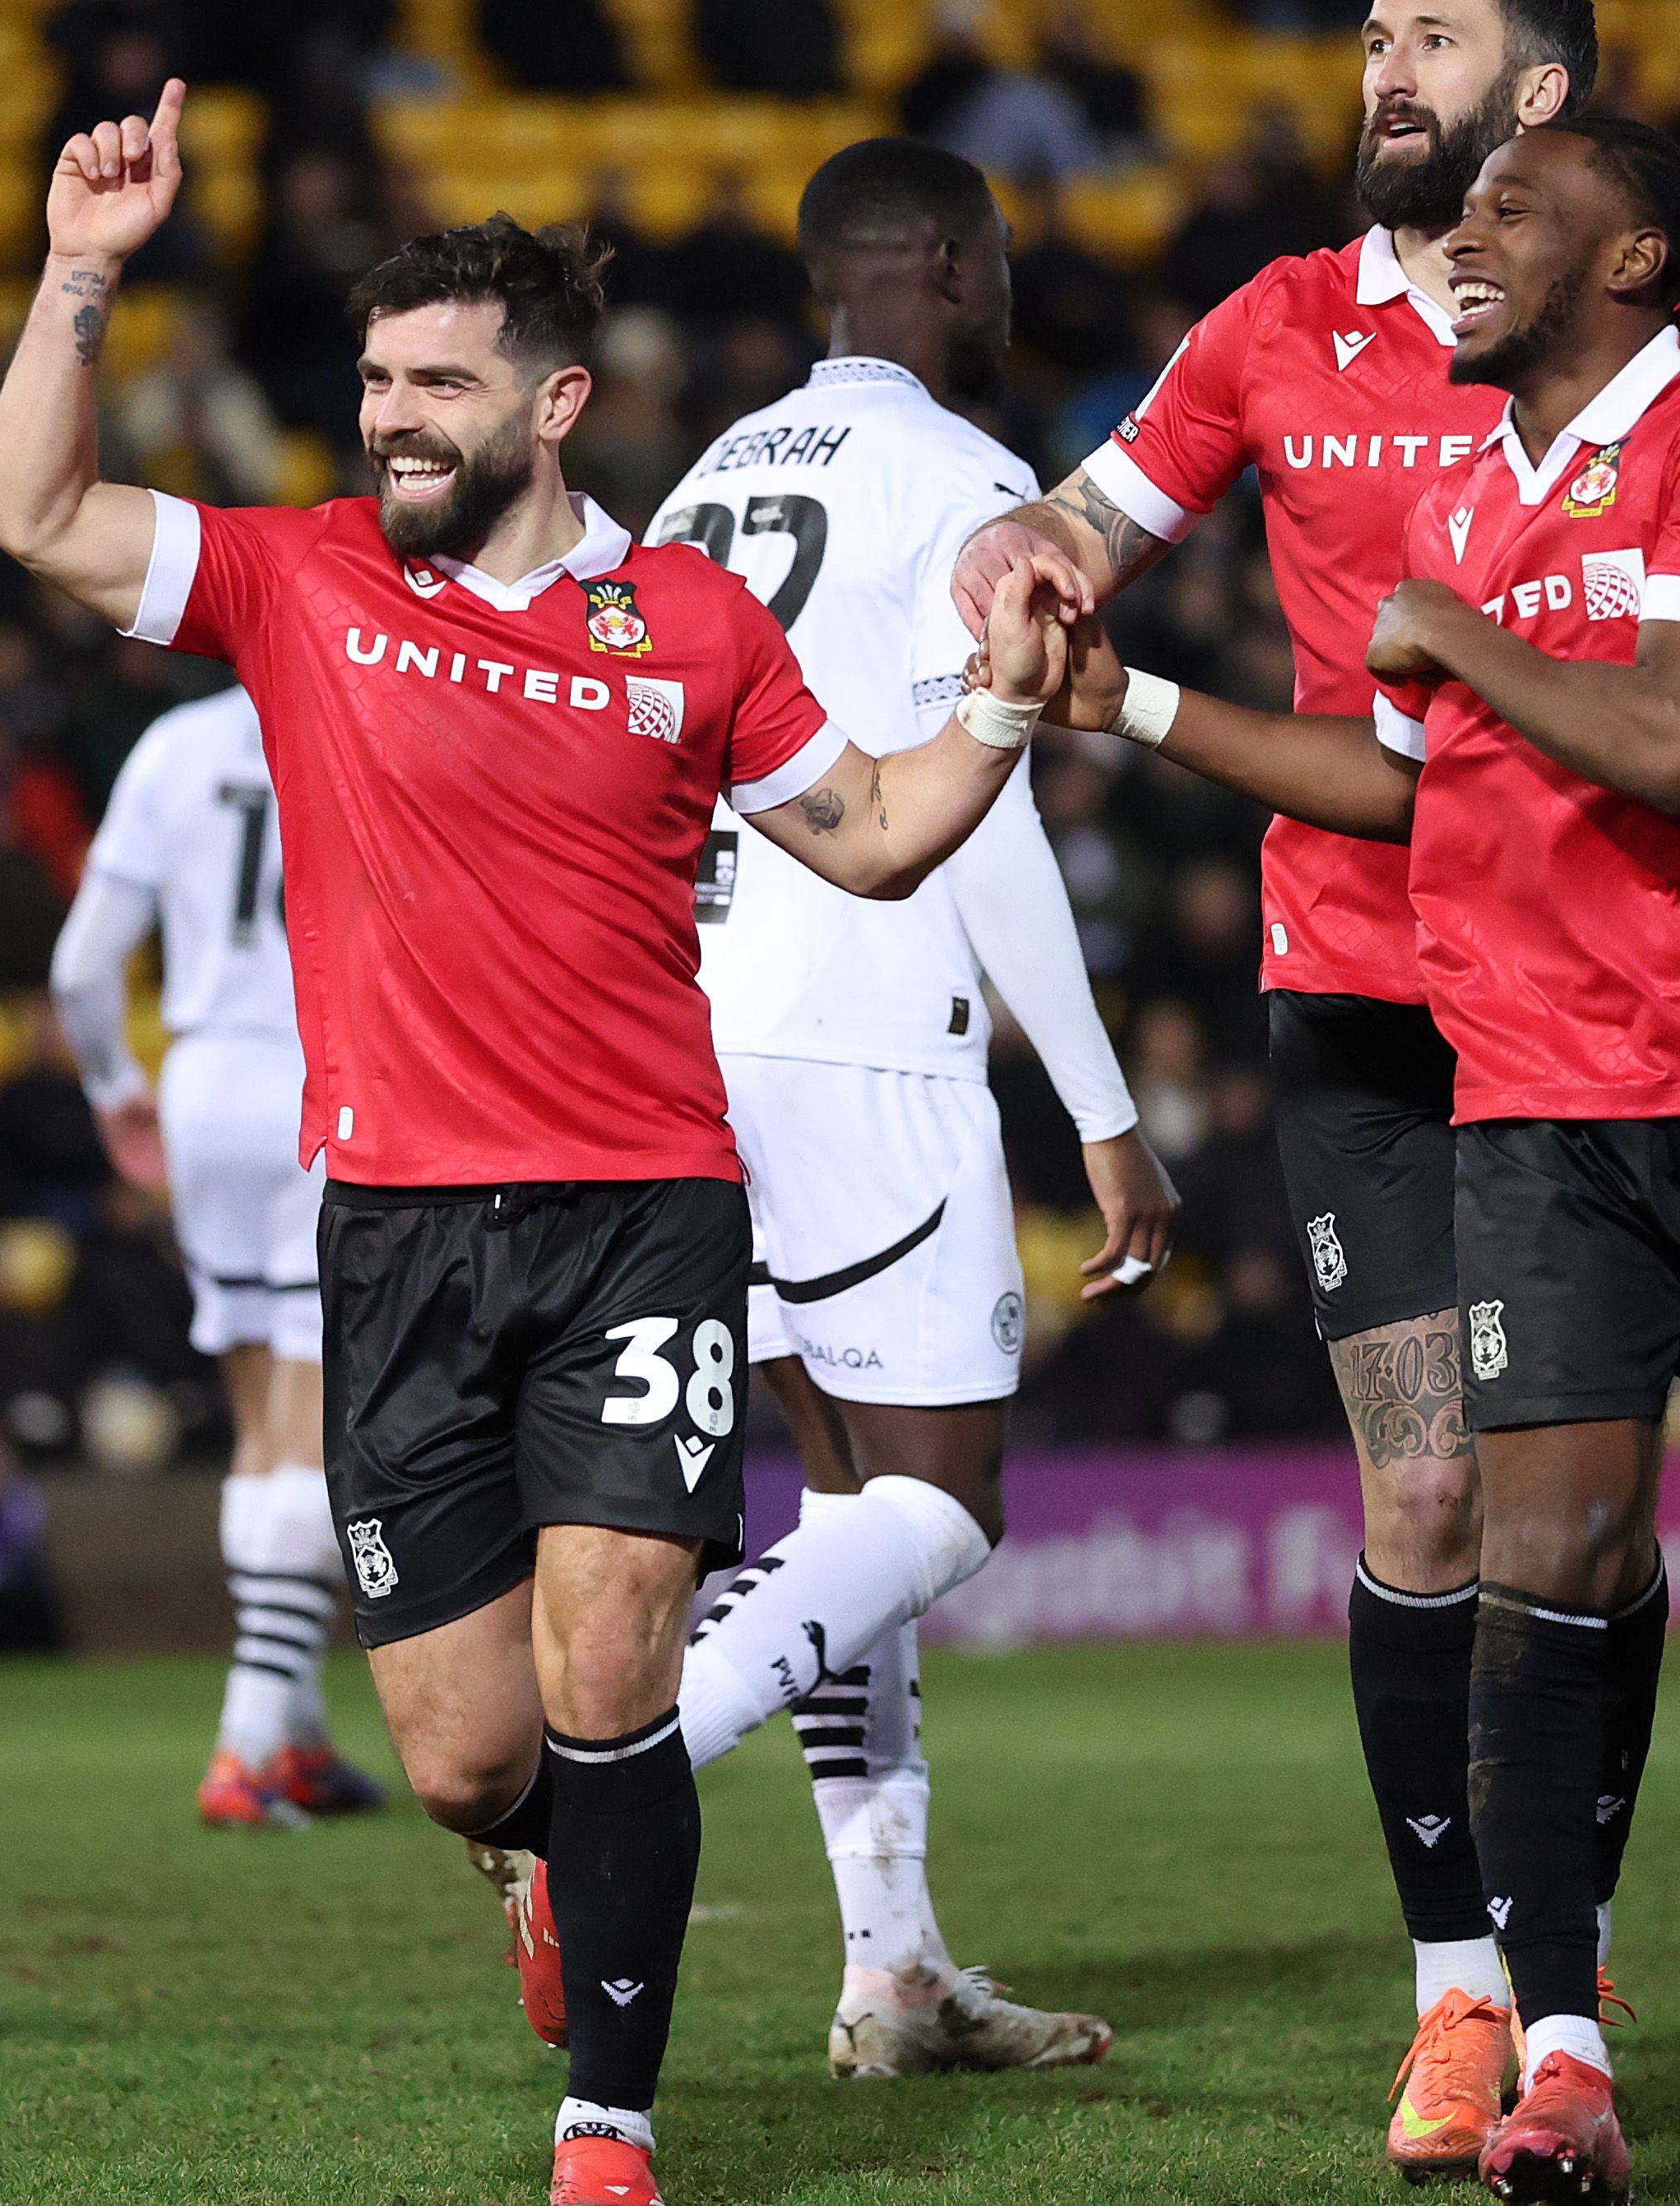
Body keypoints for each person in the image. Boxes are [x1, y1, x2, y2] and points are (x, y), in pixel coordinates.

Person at [0, 82, 1085, 2206]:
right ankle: (542, 1864)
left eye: (437, 386)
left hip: (642, 1217)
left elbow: (871, 836)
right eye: (377, 382)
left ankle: (610, 2129)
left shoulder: (690, 624)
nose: (390, 420)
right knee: (469, 1755)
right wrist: (78, 274)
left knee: (612, 1671)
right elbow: (31, 513)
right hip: (395, 1229)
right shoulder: (300, 577)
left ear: (554, 403)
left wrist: (1009, 704)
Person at [946, 2, 1680, 2176]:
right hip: (1430, 1030)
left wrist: (1479, 635)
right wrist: (1056, 612)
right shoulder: (1321, 361)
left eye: (1433, 30)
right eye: (1369, 28)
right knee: (1472, 1520)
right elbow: (1115, 540)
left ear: (1553, 120)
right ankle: (1506, 2013)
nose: (1382, 60)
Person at [633, 136, 1173, 2080]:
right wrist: (1101, 1106)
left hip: (699, 1030)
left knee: (848, 1518)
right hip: (864, 1029)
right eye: (1001, 256)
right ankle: (608, 1762)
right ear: (947, 264)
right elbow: (985, 801)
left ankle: (896, 1967)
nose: (1012, 289)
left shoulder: (703, 482)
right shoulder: (963, 482)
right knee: (943, 1501)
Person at [46, 684, 387, 1829]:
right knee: (311, 1412)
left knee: (256, 1416)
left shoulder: (175, 744)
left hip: (201, 1085)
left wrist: (114, 1086)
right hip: (328, 1073)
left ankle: (293, 1735)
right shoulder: (376, 708)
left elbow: (80, 970)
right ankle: (247, 1741)